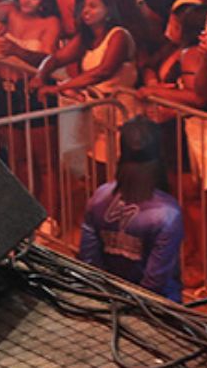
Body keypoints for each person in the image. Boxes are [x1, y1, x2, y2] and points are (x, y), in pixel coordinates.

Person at [79, 120, 184, 304]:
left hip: (106, 299)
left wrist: (106, 299)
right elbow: (155, 282)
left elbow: (89, 259)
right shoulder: (167, 213)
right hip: (155, 309)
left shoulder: (100, 195)